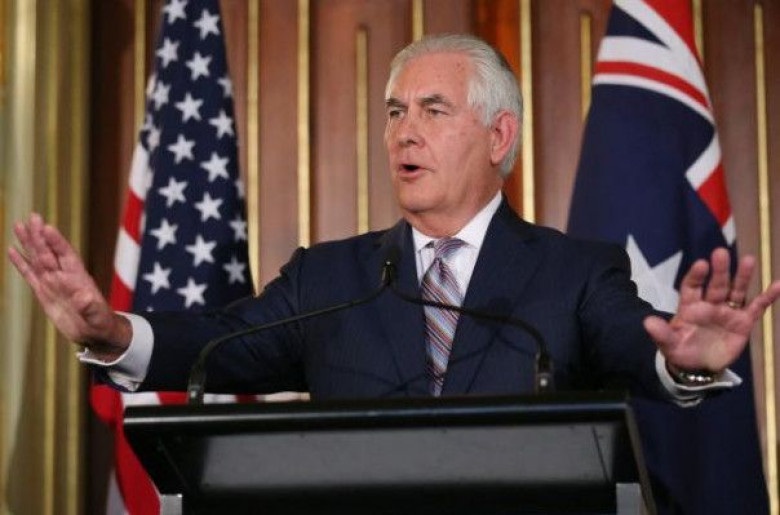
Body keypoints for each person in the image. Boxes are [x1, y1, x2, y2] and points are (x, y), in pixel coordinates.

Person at [8, 34, 780, 401]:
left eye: (433, 110)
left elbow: (637, 343)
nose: (404, 132)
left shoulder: (575, 273)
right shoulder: (328, 279)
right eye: (394, 112)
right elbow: (218, 342)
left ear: (499, 136)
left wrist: (688, 361)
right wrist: (112, 332)